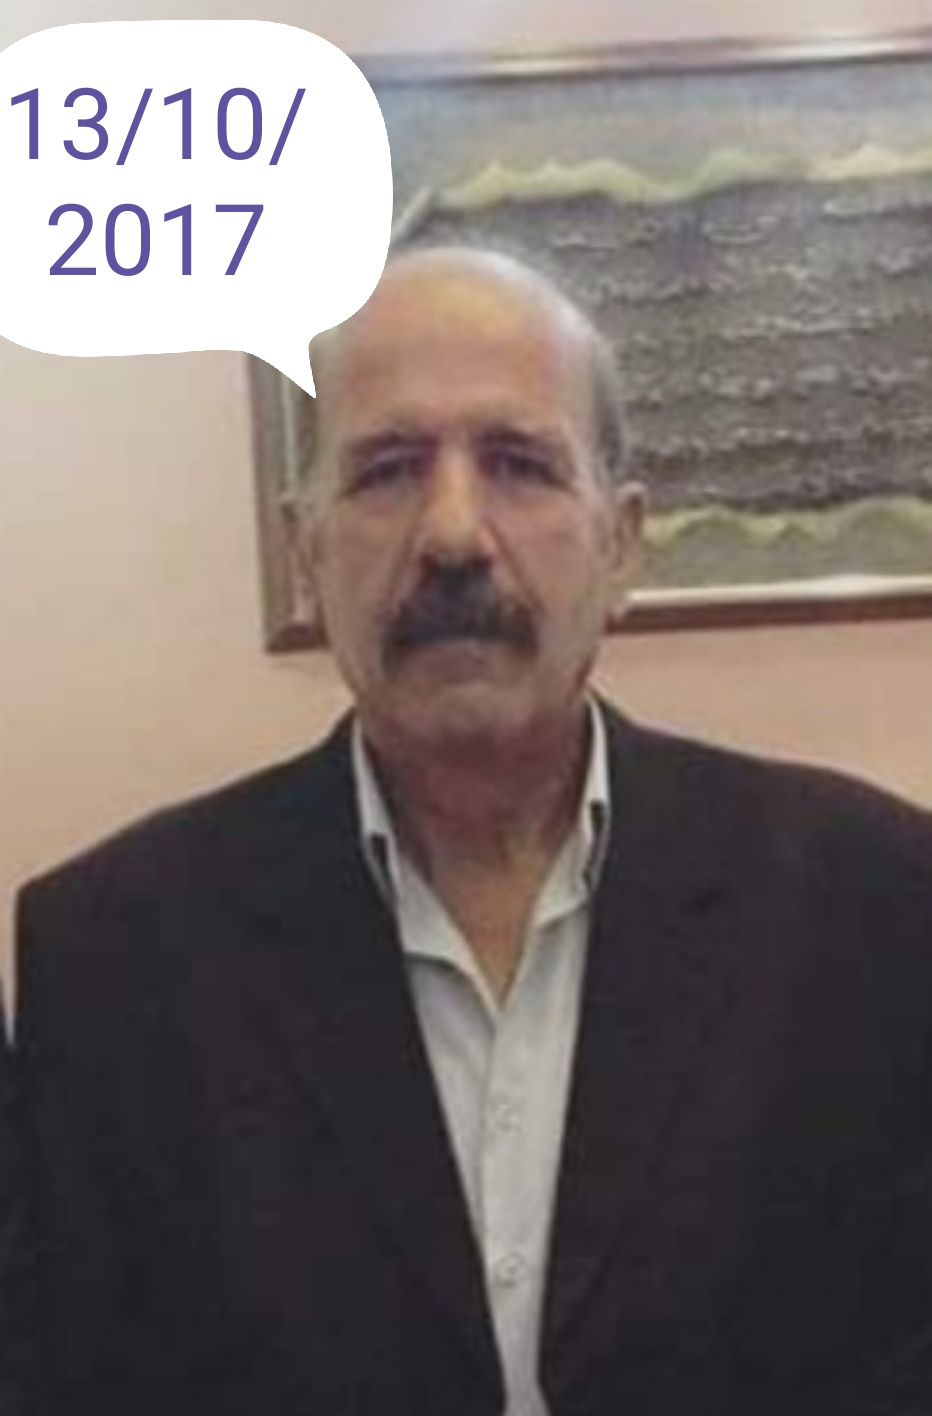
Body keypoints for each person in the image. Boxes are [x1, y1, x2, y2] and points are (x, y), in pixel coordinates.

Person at [14, 246, 932, 1416]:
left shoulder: (872, 908)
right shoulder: (113, 958)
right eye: (388, 470)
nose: (452, 533)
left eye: (518, 465)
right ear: (307, 550)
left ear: (620, 543)